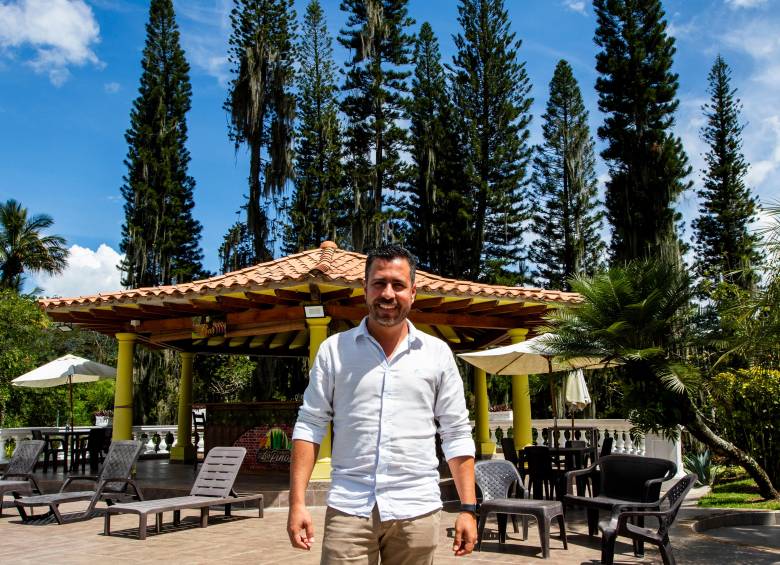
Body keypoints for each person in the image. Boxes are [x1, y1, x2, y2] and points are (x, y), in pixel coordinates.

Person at [287, 244, 477, 564]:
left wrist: (468, 509)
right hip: (349, 510)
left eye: (398, 285)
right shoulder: (335, 351)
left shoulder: (437, 355)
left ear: (413, 293)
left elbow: (456, 432)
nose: (388, 293)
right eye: (379, 283)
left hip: (417, 511)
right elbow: (310, 425)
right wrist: (297, 504)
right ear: (365, 289)